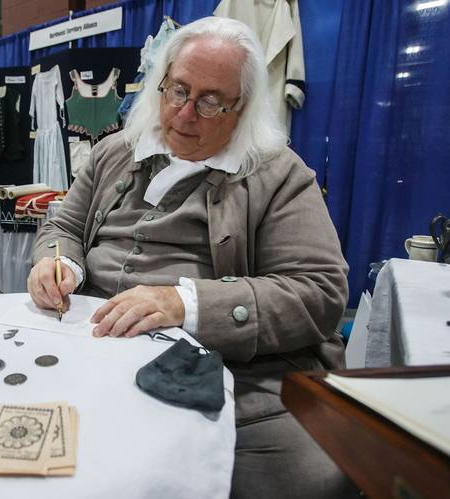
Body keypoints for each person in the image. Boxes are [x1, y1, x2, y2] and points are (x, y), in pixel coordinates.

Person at [27, 17, 356, 499]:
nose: (184, 114)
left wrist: (185, 303)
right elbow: (63, 228)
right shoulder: (113, 151)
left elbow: (319, 292)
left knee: (309, 477)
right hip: (91, 344)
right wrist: (59, 265)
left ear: (242, 108)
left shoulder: (280, 175)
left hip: (227, 370)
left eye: (210, 102)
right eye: (178, 91)